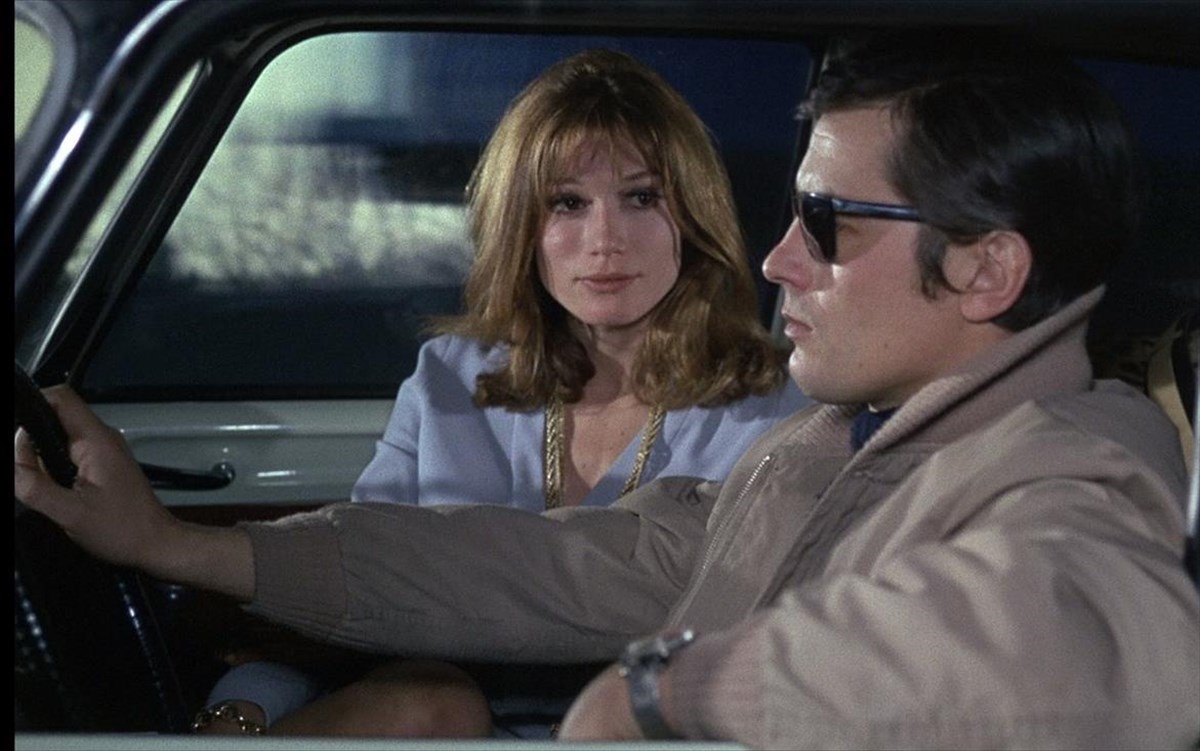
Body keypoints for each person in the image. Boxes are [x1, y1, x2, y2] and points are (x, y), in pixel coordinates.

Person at [15, 28, 1200, 749]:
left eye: (828, 223)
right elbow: (585, 562)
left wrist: (663, 692)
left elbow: (1101, 647)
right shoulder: (835, 447)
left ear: (988, 269)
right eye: (565, 206)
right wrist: (180, 546)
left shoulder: (1069, 460)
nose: (778, 260)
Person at [188, 48, 809, 737]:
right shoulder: (451, 380)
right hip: (455, 729)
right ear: (521, 225)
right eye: (567, 203)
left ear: (692, 216)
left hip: (653, 736)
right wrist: (244, 708)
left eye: (641, 197)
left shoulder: (775, 405)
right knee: (427, 701)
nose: (605, 240)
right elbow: (360, 583)